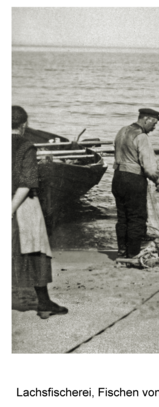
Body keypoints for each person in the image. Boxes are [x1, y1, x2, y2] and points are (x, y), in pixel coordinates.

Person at [12, 105, 68, 319]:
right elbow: (26, 183)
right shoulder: (26, 147)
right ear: (24, 125)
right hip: (22, 205)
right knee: (36, 251)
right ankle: (44, 303)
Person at [112, 108, 159, 258]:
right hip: (133, 180)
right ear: (146, 119)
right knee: (137, 217)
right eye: (154, 123)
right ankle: (133, 254)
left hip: (118, 178)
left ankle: (122, 250)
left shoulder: (122, 131)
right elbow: (149, 167)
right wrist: (157, 180)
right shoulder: (142, 137)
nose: (154, 128)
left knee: (123, 217)